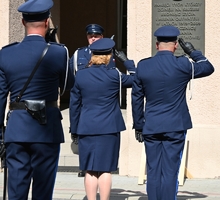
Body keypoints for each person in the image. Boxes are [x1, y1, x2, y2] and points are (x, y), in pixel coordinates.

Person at [0, 0, 74, 199]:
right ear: (48, 21)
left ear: (23, 23)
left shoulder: (6, 53)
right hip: (46, 129)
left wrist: (1, 133)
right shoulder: (59, 52)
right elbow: (68, 85)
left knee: (16, 191)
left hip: (16, 129)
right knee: (43, 191)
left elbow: (0, 97)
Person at [131, 25, 214, 200]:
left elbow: (136, 98)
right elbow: (208, 68)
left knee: (153, 170)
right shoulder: (182, 64)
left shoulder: (144, 65)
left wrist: (138, 125)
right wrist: (193, 52)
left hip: (151, 124)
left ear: (156, 45)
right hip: (175, 125)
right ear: (176, 45)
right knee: (170, 171)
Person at [69, 38, 135, 200]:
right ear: (109, 56)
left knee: (90, 169)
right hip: (109, 128)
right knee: (105, 169)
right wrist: (127, 63)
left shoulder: (81, 75)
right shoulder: (114, 75)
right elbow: (136, 79)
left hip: (87, 127)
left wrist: (74, 128)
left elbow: (74, 105)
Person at [69, 23, 105, 177]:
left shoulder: (107, 53)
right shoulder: (79, 54)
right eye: (91, 36)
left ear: (102, 37)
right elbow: (71, 78)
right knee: (84, 138)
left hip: (101, 101)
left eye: (96, 36)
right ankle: (84, 166)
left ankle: (101, 166)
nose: (93, 38)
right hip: (82, 101)